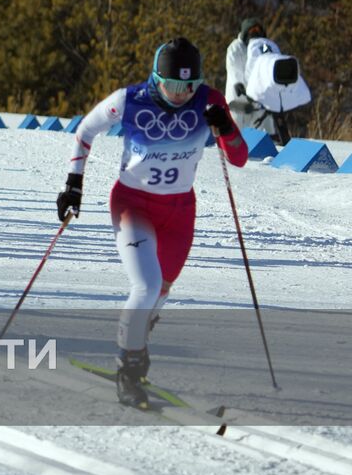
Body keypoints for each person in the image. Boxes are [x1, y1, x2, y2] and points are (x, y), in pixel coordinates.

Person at [56, 37, 249, 408]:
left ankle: (136, 345)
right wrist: (73, 184)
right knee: (146, 287)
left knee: (161, 292)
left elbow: (238, 158)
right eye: (172, 85)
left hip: (179, 211)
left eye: (188, 86)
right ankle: (129, 370)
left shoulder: (208, 100)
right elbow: (85, 131)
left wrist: (225, 126)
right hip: (133, 204)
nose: (180, 94)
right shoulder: (129, 100)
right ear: (156, 78)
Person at [224, 18, 267, 131]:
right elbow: (233, 68)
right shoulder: (235, 48)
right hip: (238, 98)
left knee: (256, 130)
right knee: (236, 130)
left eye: (258, 30)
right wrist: (238, 83)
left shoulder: (262, 47)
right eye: (252, 31)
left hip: (256, 99)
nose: (255, 33)